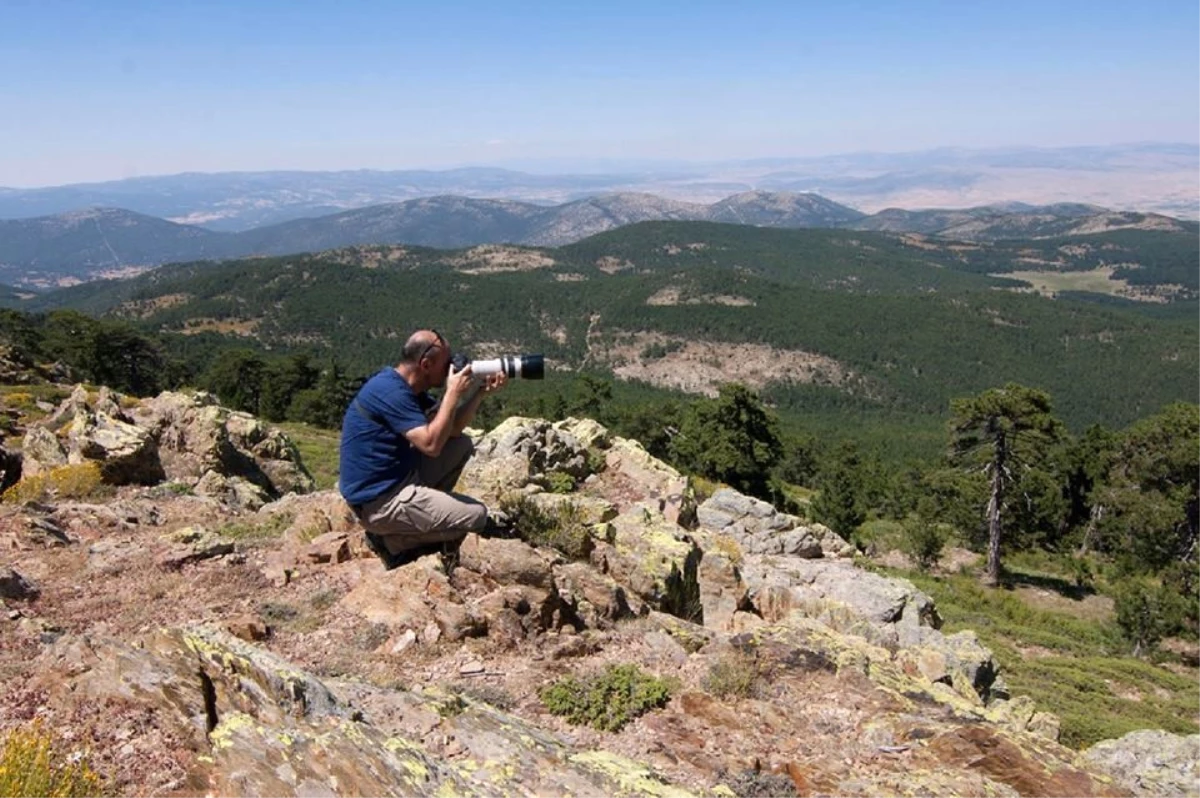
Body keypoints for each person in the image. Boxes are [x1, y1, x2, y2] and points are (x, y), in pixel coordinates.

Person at [339, 329, 506, 567]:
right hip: (379, 503)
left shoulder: (407, 387)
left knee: (461, 445)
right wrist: (452, 393)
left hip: (396, 481)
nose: (451, 367)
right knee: (477, 516)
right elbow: (431, 445)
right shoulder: (390, 392)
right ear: (426, 364)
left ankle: (422, 516)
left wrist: (479, 394)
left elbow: (454, 429)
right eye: (446, 363)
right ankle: (395, 542)